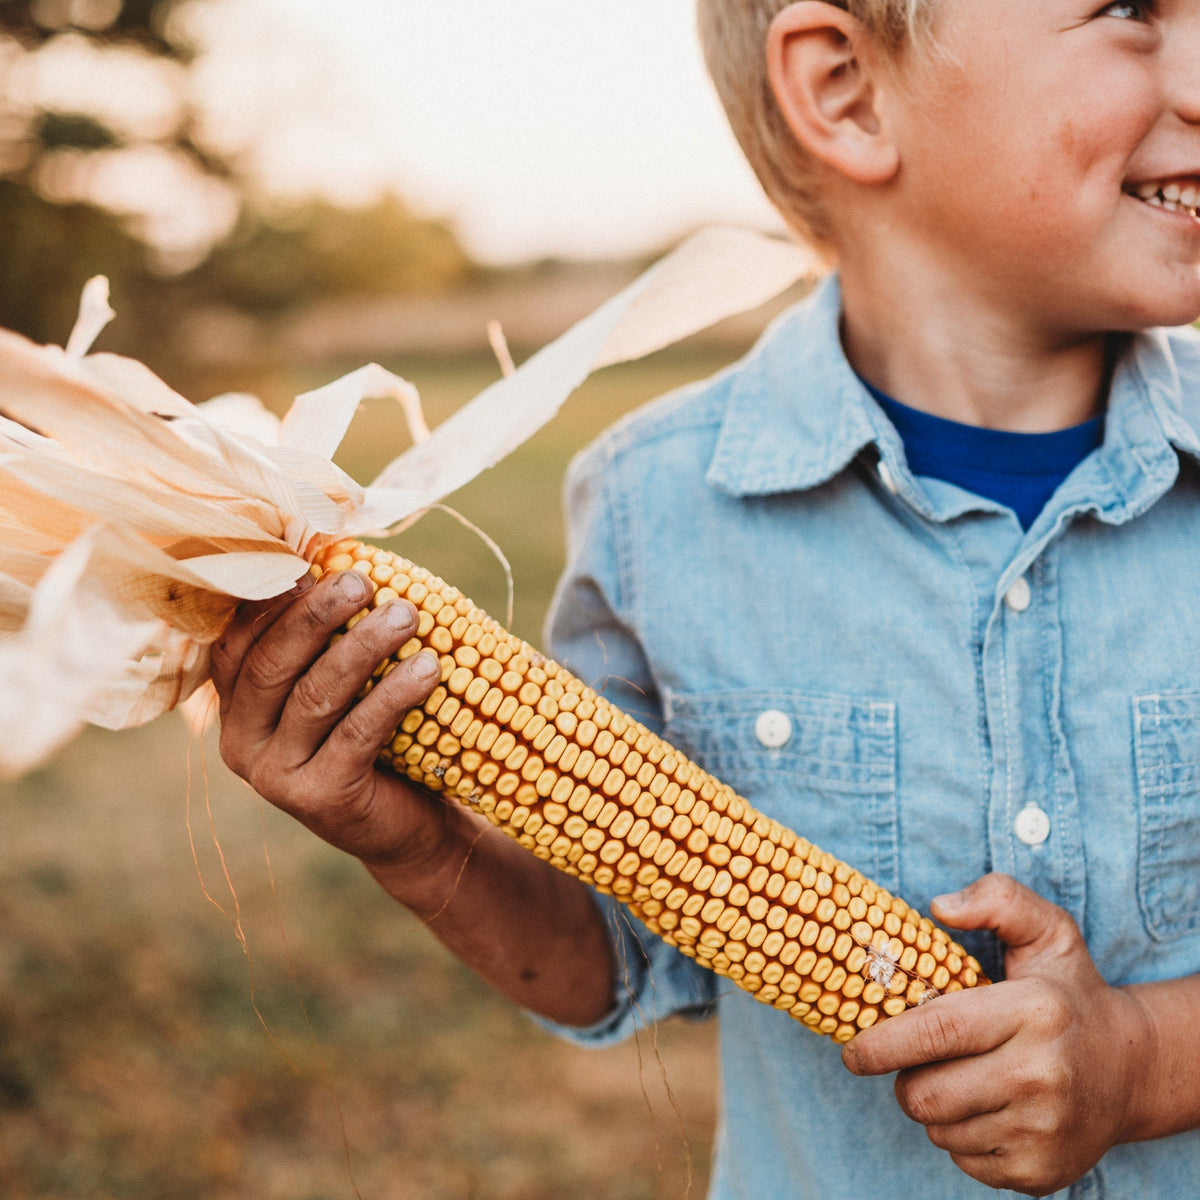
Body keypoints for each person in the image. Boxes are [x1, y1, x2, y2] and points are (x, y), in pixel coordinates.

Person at [211, 1, 1200, 1195]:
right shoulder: (657, 507)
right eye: (1132, 9)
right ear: (843, 89)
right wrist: (423, 849)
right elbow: (615, 949)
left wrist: (1142, 1061)